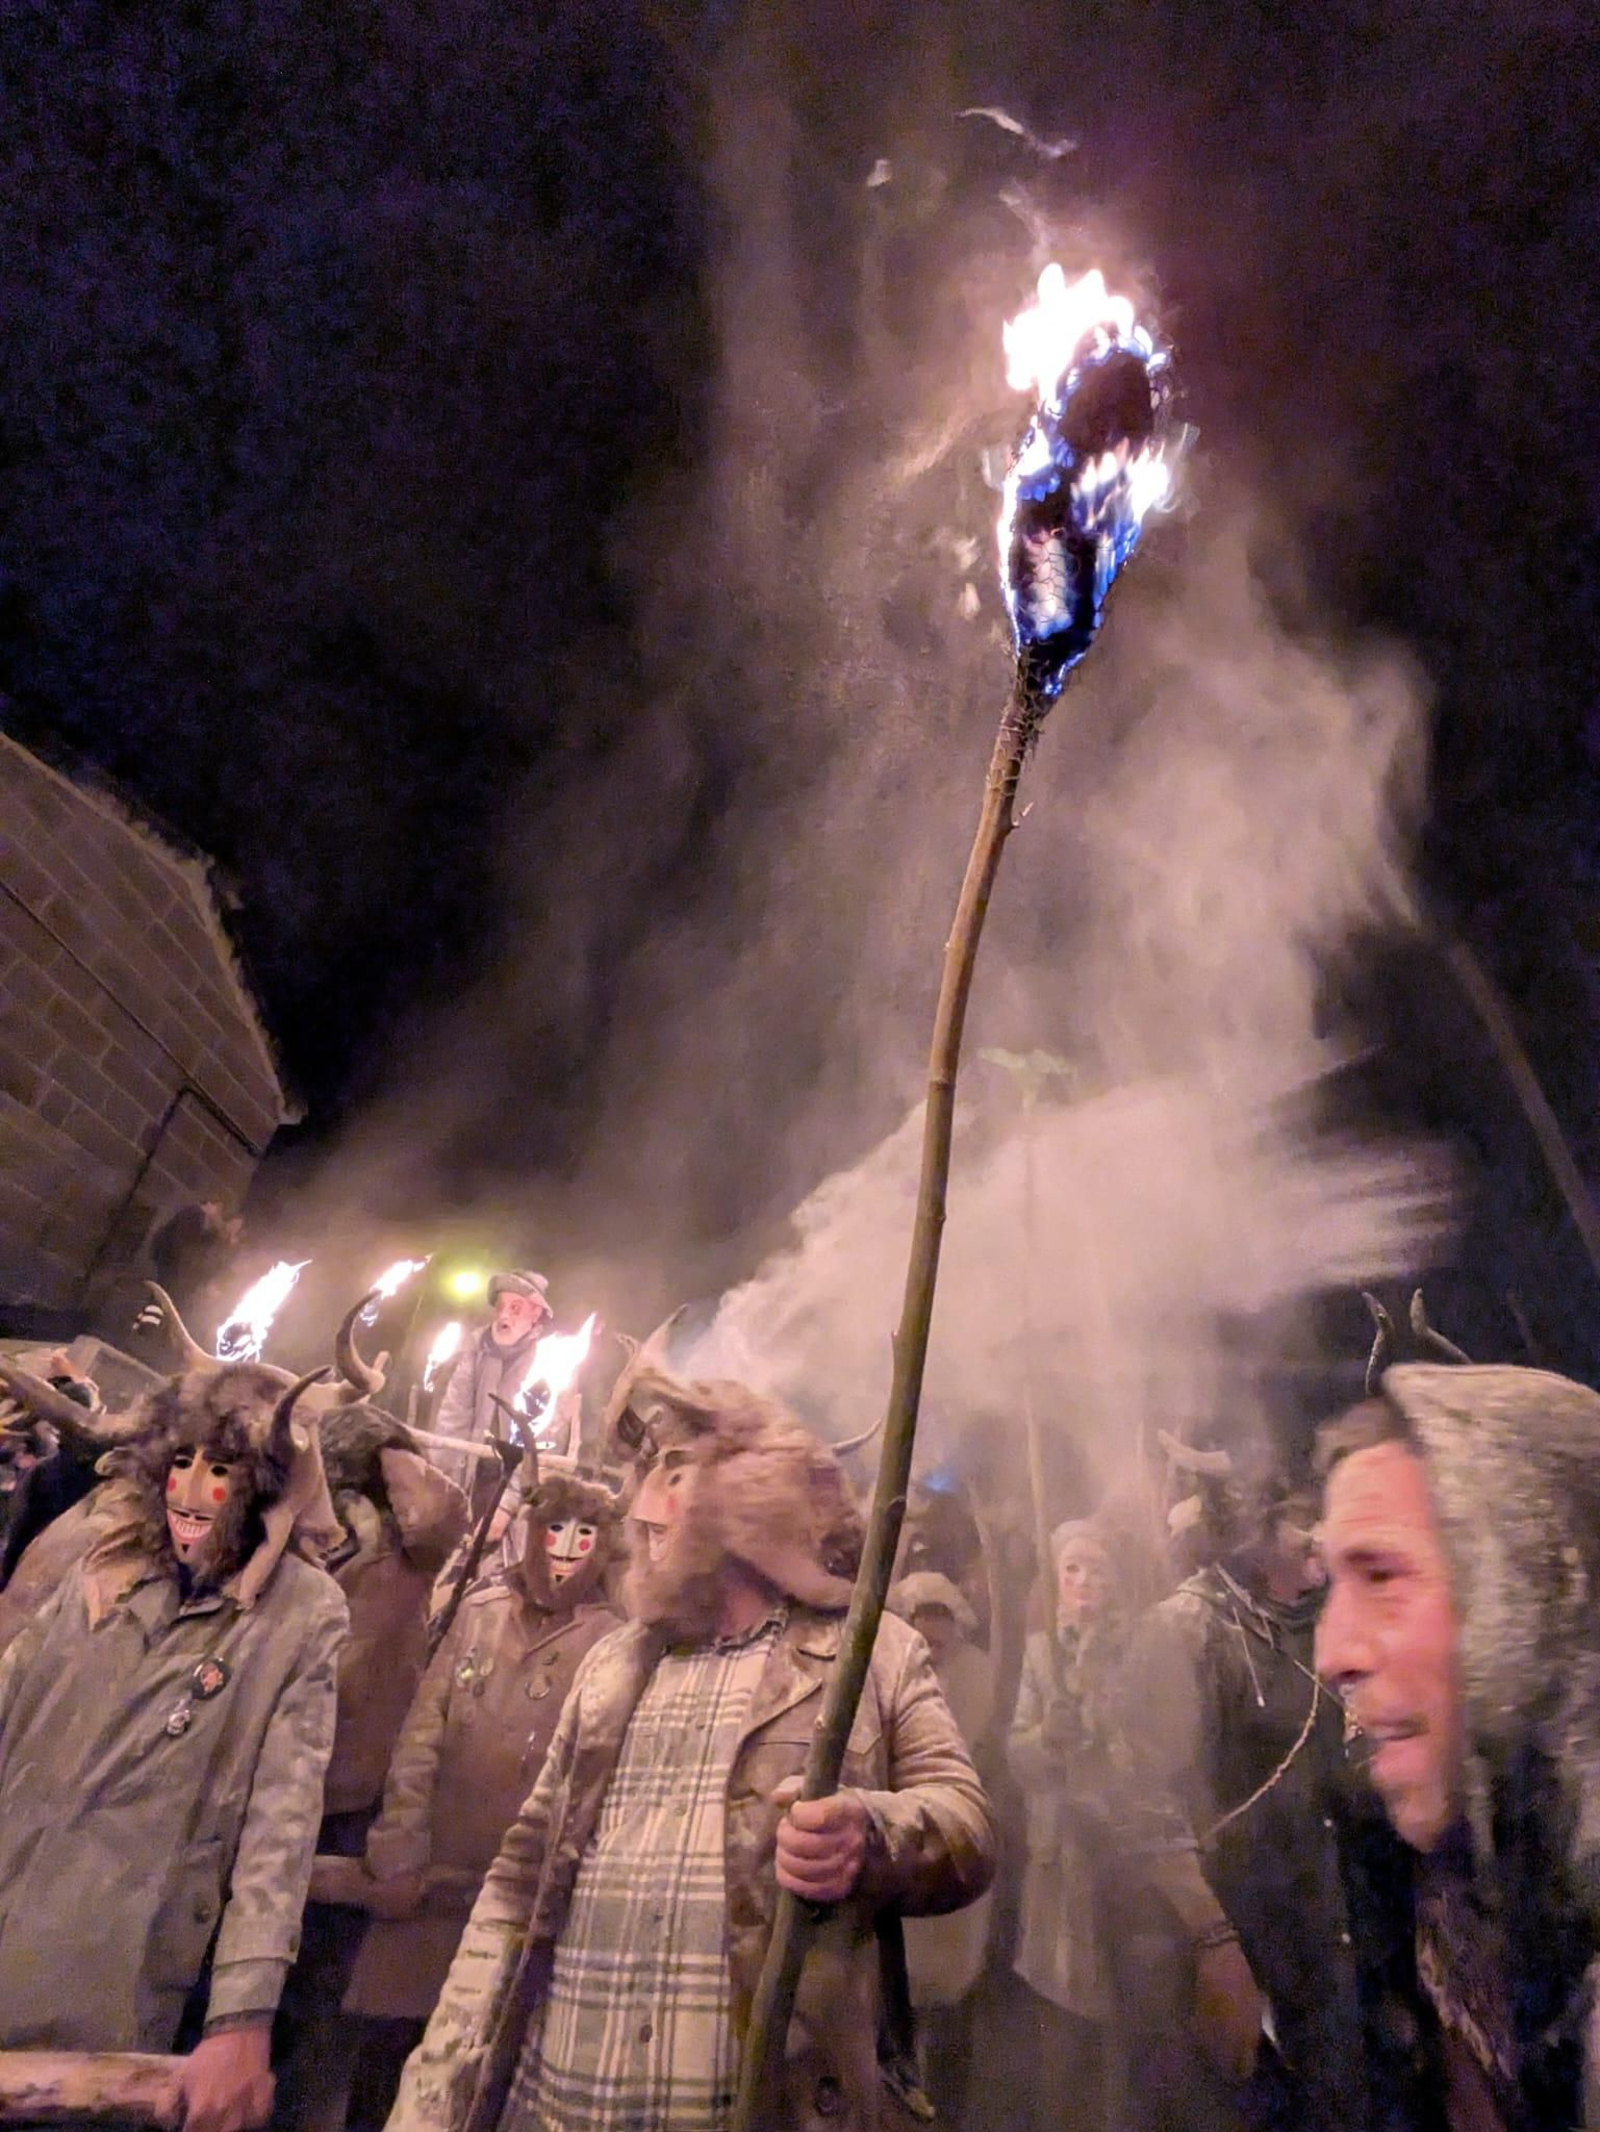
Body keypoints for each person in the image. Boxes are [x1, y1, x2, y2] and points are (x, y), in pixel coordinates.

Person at [387, 1364, 996, 2132]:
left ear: (752, 1500)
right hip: (554, 2104)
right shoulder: (615, 1660)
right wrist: (437, 2092)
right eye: (646, 1476)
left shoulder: (871, 1653)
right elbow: (523, 1873)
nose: (640, 1511)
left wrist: (867, 1836)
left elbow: (967, 1823)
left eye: (674, 1477)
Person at [0, 1362, 347, 2132]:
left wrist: (242, 2017)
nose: (191, 1489)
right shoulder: (104, 1567)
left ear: (260, 1483)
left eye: (220, 1467)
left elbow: (279, 1827)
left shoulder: (301, 1613)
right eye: (180, 1460)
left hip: (115, 1969)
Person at [1315, 1363, 1600, 2130]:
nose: (1331, 1650)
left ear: (1537, 1584)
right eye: (1331, 1579)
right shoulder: (1473, 1890)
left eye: (1381, 1574)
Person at [332, 1462, 625, 2130]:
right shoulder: (480, 1611)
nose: (568, 1545)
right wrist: (399, 1847)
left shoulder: (613, 1641)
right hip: (424, 1897)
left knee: (484, 2070)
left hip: (516, 1902)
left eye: (585, 1531)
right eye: (555, 1527)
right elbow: (420, 1733)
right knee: (385, 2069)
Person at [1124, 1479, 1375, 2132]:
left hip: (1325, 1942)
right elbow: (1141, 1803)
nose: (1316, 1532)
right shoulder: (1184, 1630)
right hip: (1245, 1946)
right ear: (1255, 1537)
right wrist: (1215, 1948)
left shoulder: (1308, 1622)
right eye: (1300, 1522)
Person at [1007, 1520, 1129, 2132]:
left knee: (1118, 2031)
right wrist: (1044, 1740)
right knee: (1059, 2024)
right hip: (1057, 1861)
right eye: (1072, 1569)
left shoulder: (1133, 1646)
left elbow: (1146, 1745)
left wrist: (1093, 1715)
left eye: (1096, 1569)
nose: (1084, 1581)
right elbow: (1016, 1751)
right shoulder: (1039, 1653)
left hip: (1117, 1861)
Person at [885, 1570, 996, 2119]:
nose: (930, 1627)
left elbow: (968, 1747)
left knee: (953, 1994)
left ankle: (951, 2103)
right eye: (919, 1616)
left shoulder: (979, 1674)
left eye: (939, 1615)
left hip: (954, 1841)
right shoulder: (891, 1671)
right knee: (902, 1987)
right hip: (903, 1843)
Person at [433, 1272, 554, 1495]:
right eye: (500, 1307)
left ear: (535, 1314)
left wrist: (508, 1506)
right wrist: (442, 1482)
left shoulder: (547, 1363)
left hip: (512, 1486)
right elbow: (453, 1418)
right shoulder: (476, 1349)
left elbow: (541, 1444)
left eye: (515, 1308)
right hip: (469, 1471)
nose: (504, 1316)